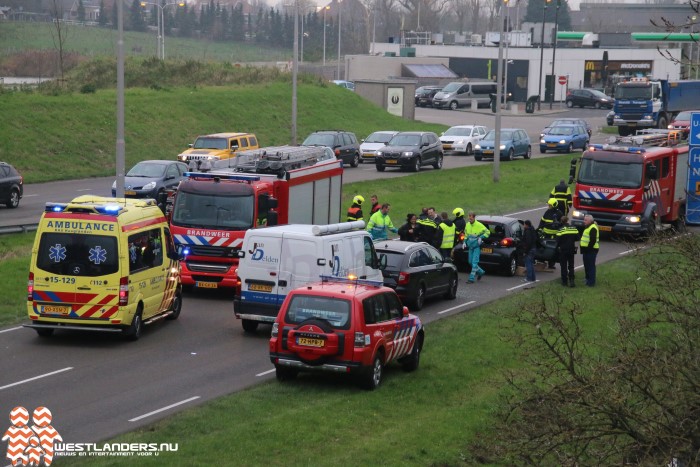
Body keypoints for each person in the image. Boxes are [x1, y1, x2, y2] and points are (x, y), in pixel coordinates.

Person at [463, 212, 490, 283]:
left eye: (471, 218)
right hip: (470, 247)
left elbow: (487, 232)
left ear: (474, 218)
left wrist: (481, 237)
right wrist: (464, 242)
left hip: (476, 247)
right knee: (470, 262)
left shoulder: (479, 225)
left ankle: (471, 279)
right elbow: (466, 234)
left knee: (474, 263)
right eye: (469, 218)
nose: (470, 219)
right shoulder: (467, 225)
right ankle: (481, 272)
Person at [538, 198, 563, 268]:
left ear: (554, 205)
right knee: (543, 247)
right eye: (548, 205)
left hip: (554, 236)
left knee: (553, 249)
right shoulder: (547, 212)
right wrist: (539, 229)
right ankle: (542, 261)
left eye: (550, 205)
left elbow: (561, 225)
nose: (548, 206)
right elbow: (542, 221)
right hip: (546, 235)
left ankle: (551, 264)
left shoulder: (559, 214)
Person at [556, 216, 579, 287]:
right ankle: (572, 281)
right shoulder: (573, 228)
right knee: (571, 266)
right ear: (568, 221)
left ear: (561, 221)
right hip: (571, 249)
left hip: (563, 250)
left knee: (563, 266)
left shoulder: (560, 230)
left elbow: (557, 241)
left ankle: (564, 281)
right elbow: (578, 238)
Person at [580, 214, 600, 287]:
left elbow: (593, 240)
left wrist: (588, 248)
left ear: (590, 221)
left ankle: (591, 282)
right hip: (586, 250)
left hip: (591, 250)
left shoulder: (593, 228)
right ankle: (587, 279)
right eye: (584, 219)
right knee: (586, 265)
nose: (584, 221)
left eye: (585, 220)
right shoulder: (588, 227)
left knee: (590, 266)